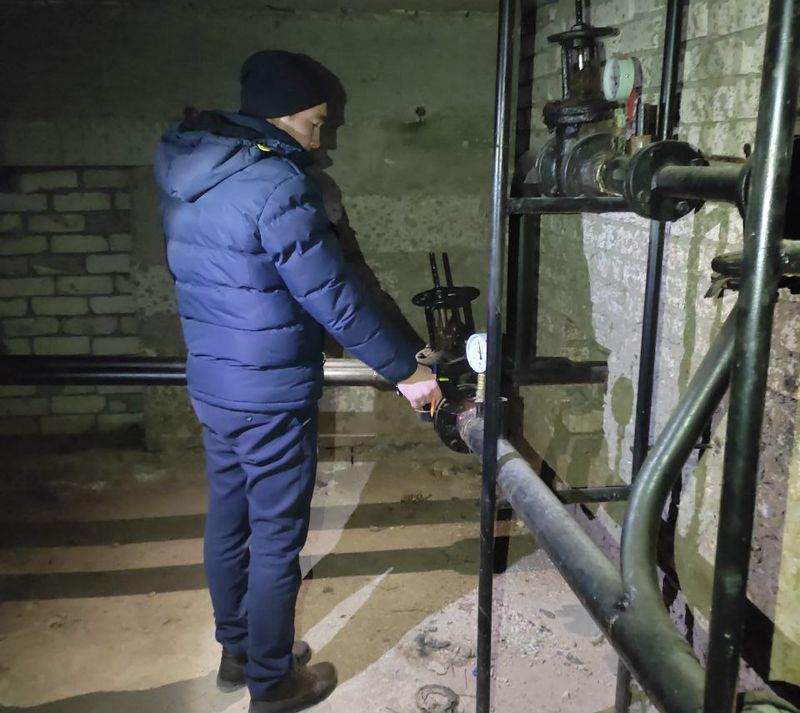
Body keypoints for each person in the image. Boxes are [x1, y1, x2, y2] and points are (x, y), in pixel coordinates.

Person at [154, 50, 441, 713]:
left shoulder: (187, 173)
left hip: (214, 381)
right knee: (277, 537)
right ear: (282, 116)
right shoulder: (277, 184)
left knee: (230, 519)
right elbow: (334, 296)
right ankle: (273, 681)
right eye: (315, 123)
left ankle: (239, 650)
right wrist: (406, 371)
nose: (320, 139)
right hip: (270, 391)